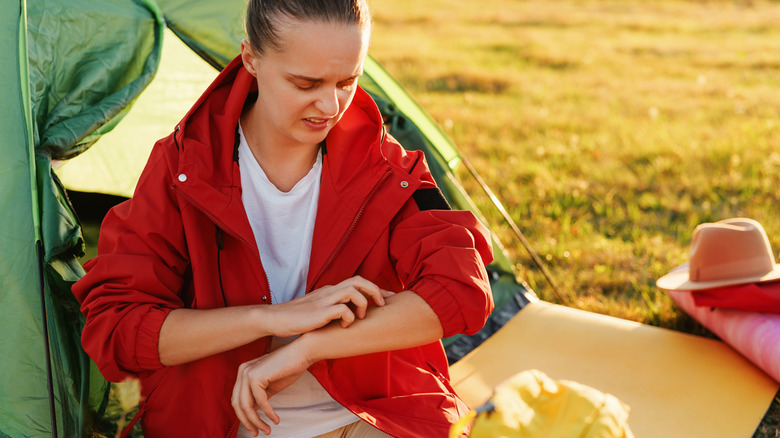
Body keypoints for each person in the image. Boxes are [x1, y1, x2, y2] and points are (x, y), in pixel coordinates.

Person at [72, 0, 494, 437]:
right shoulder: (180, 168)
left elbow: (463, 291)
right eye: (305, 83)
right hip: (221, 423)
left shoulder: (391, 170)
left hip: (373, 415)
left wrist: (310, 347)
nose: (330, 105)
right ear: (250, 59)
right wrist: (270, 318)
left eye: (348, 81)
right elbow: (117, 328)